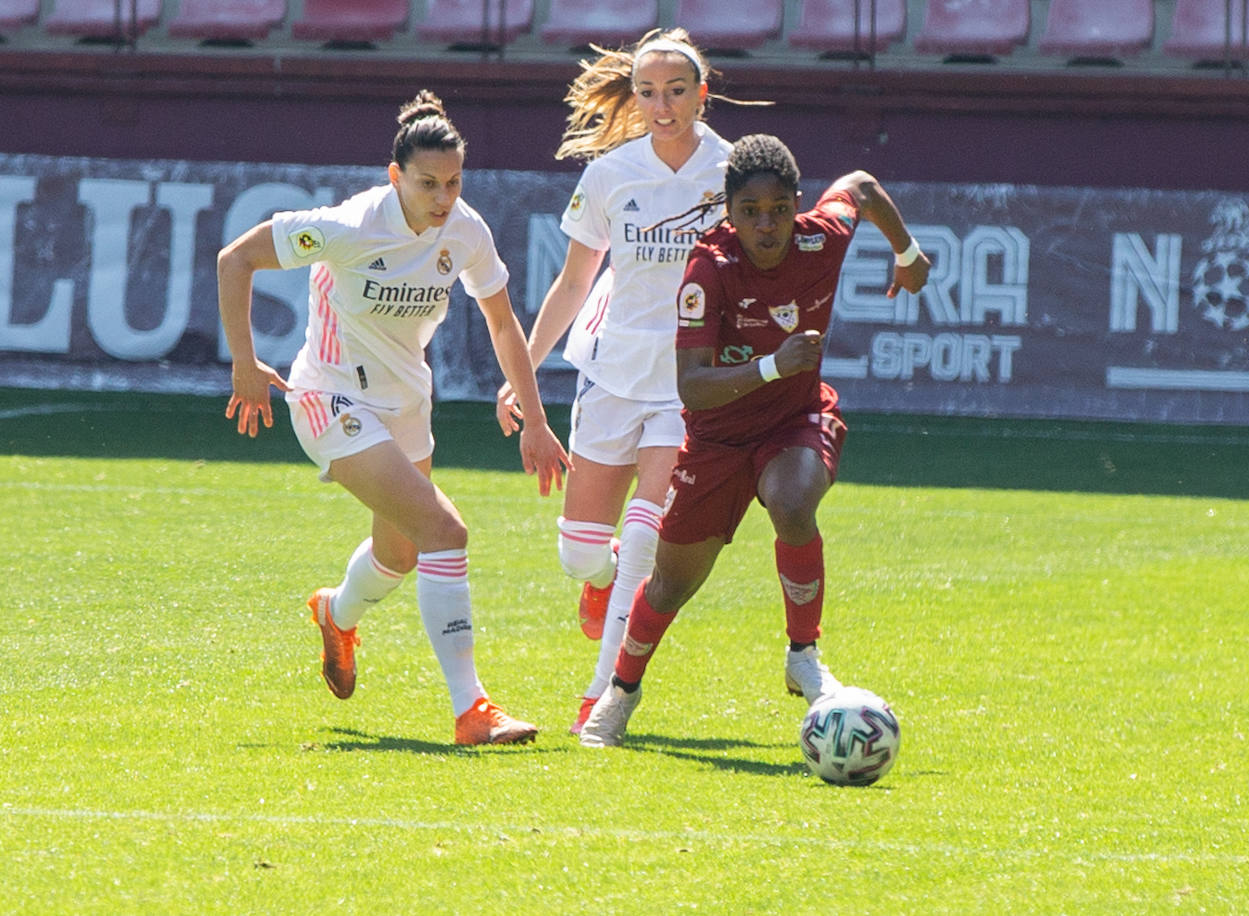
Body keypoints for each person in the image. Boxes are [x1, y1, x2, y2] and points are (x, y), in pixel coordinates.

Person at [218, 90, 570, 746]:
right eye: (429, 184)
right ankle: (473, 710)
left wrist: (538, 418)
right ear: (395, 177)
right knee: (445, 530)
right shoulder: (348, 226)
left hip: (408, 402)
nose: (443, 198)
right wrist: (246, 363)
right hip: (330, 399)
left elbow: (500, 319)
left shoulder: (464, 229)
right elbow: (235, 259)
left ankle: (336, 612)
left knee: (399, 551)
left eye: (454, 182)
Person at [578, 134, 932, 747]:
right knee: (670, 585)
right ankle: (621, 692)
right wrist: (775, 363)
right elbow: (692, 388)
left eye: (778, 209)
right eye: (750, 212)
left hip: (793, 421)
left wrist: (908, 251)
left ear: (797, 202)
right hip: (716, 440)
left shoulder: (821, 235)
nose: (766, 225)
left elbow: (863, 187)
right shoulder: (708, 269)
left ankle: (803, 653)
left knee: (794, 502)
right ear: (728, 212)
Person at [495, 28, 749, 735]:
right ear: (633, 97)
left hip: (688, 379)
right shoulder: (611, 174)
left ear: (702, 92)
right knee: (580, 548)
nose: (661, 106)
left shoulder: (733, 173)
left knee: (648, 528)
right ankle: (599, 576)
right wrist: (525, 372)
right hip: (611, 370)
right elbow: (576, 280)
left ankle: (602, 694)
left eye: (675, 91)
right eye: (647, 92)